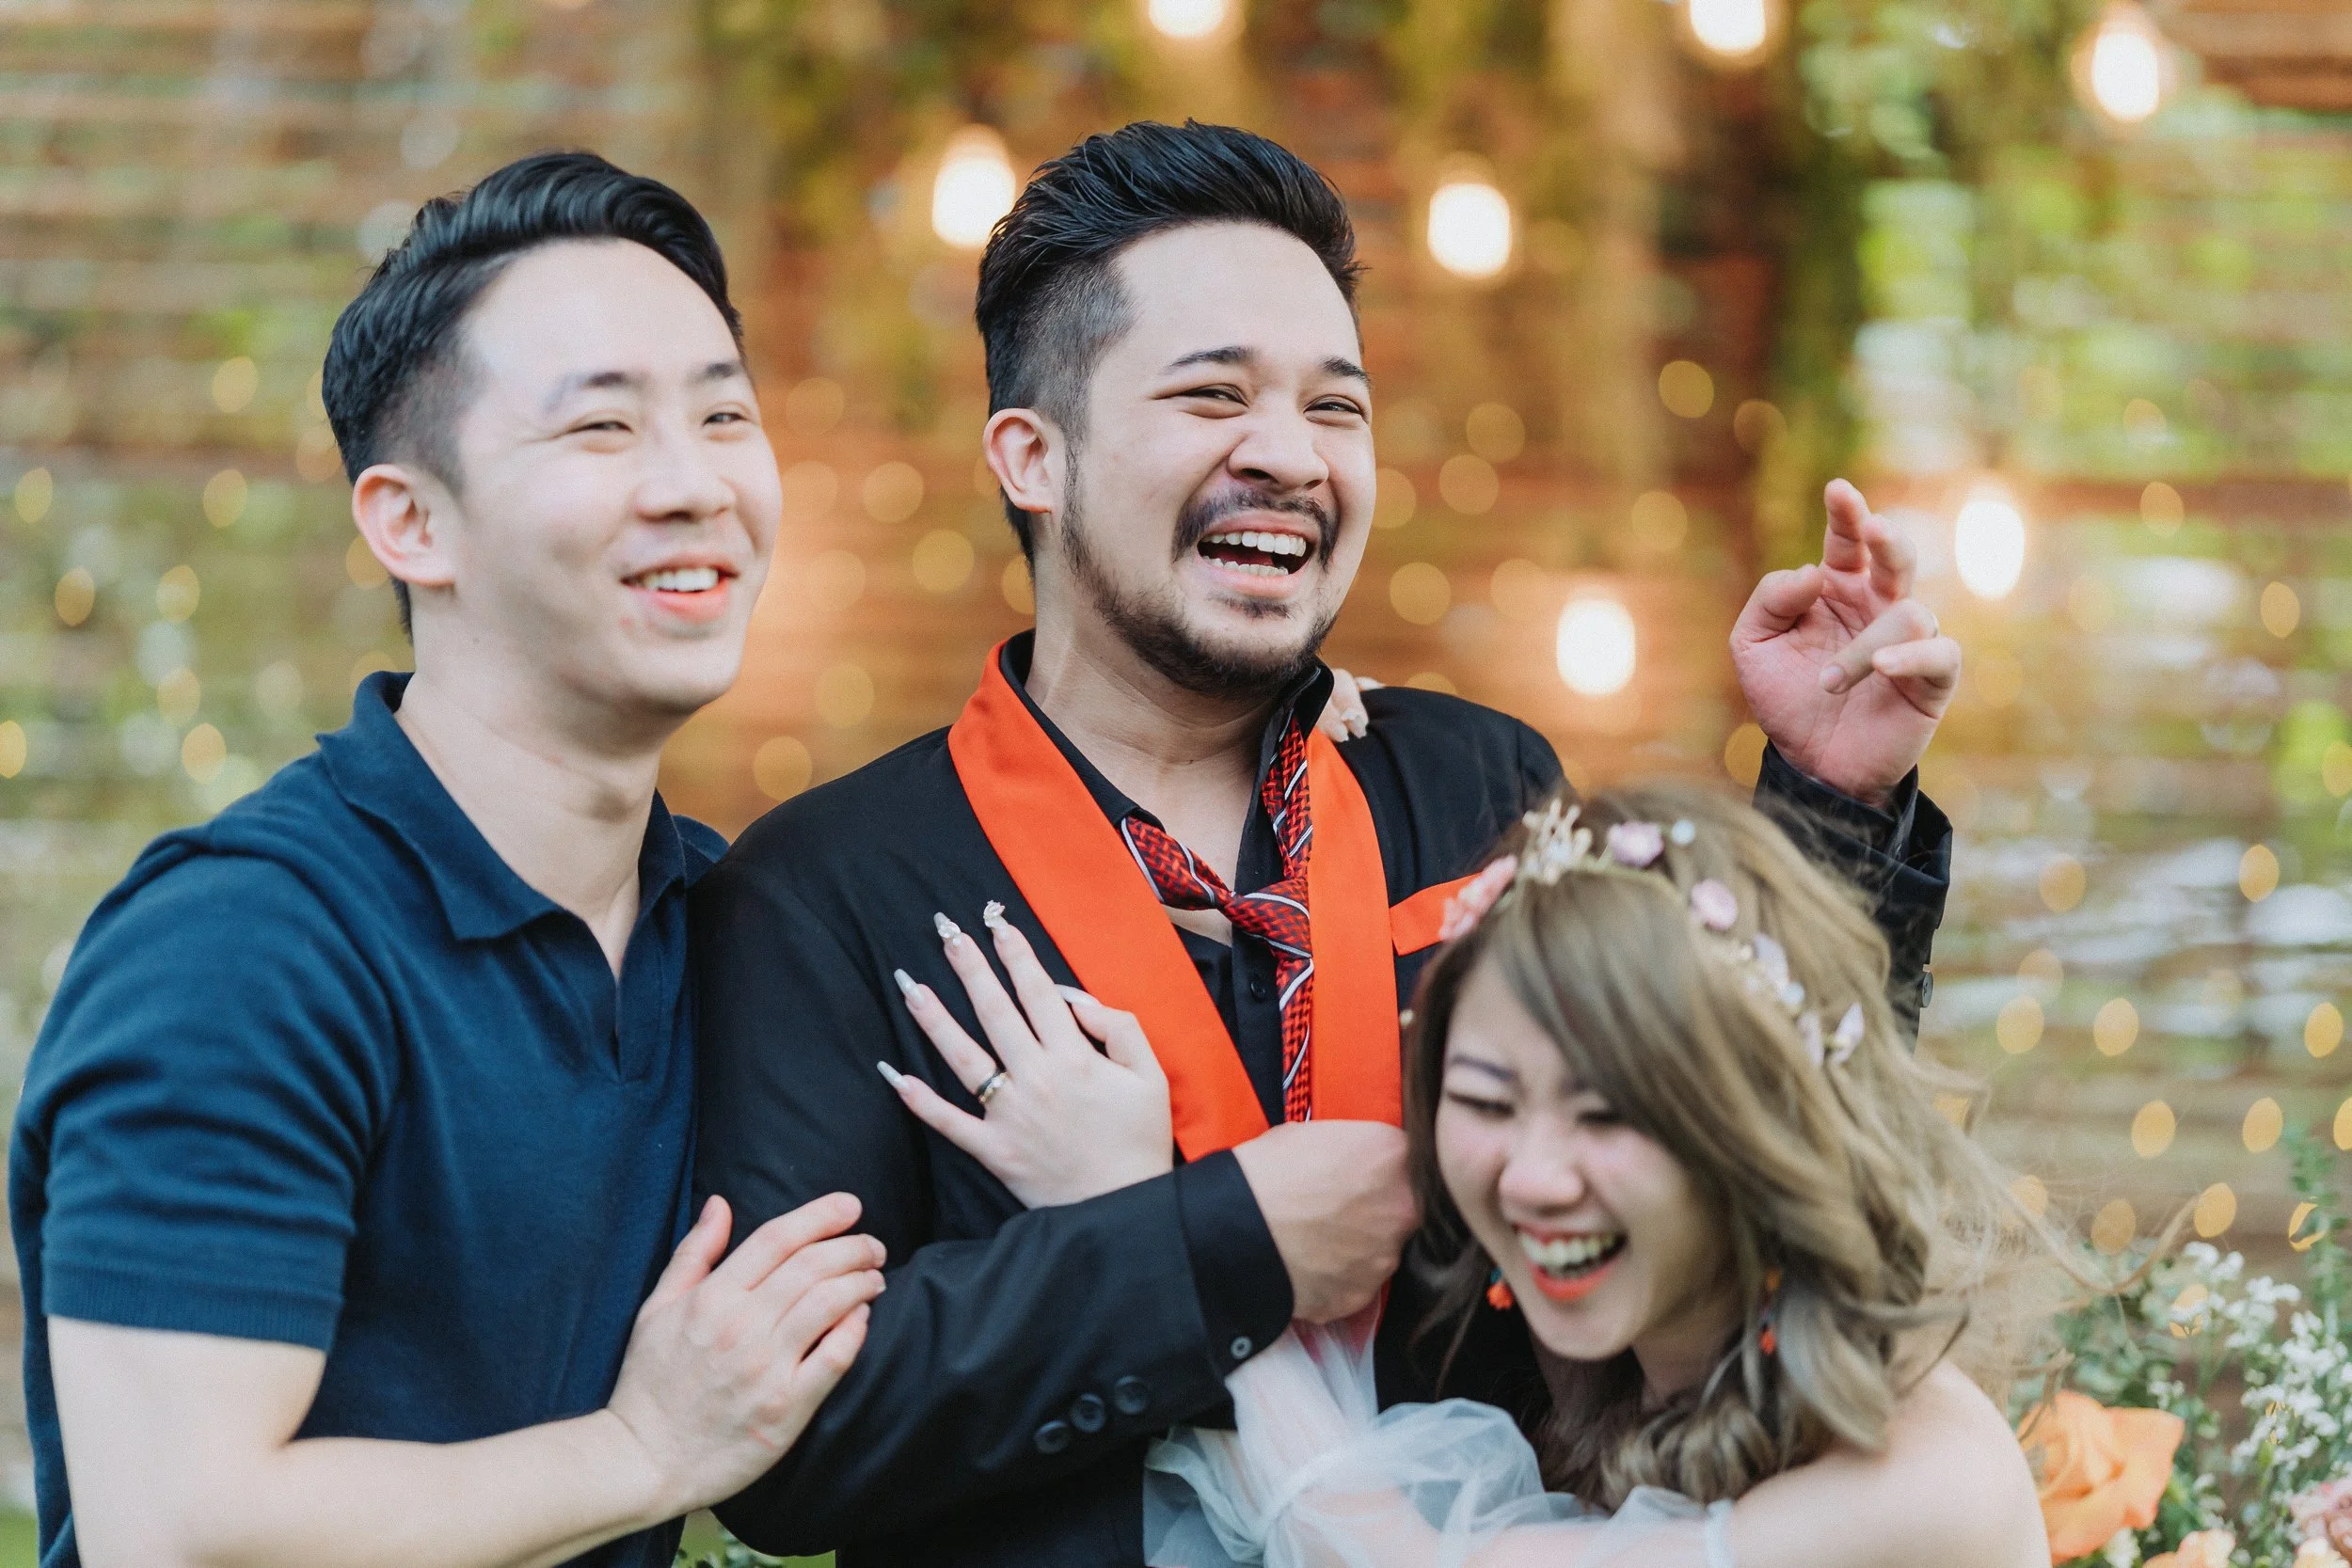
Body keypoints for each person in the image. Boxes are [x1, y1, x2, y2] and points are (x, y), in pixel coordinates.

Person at [691, 119, 1961, 1568]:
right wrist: (1221, 1243)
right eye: (1212, 394)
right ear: (1032, 456)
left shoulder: (1480, 778)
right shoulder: (826, 889)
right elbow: (787, 1438)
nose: (1289, 457)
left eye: (1336, 408)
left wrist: (1829, 801)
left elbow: (1743, 1172)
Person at [8, 152, 882, 1568]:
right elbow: (175, 1530)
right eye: (602, 428)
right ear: (410, 522)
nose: (695, 482)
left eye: (725, 414)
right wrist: (642, 1451)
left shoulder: (735, 920)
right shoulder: (246, 949)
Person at [915, 784, 2052, 1568]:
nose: (1534, 1175)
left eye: (1610, 1113)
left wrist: (1140, 1215)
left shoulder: (1922, 1477)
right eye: (1488, 1101)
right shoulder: (1609, 1357)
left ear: (1751, 1125)